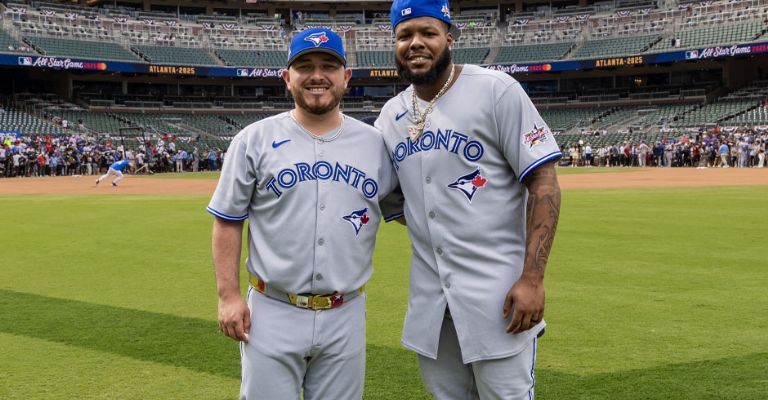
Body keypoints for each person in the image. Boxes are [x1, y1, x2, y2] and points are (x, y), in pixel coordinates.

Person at [375, 0, 563, 398]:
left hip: (499, 297)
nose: (415, 43)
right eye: (405, 35)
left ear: (449, 37)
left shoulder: (495, 90)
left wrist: (533, 279)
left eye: (428, 33)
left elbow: (544, 182)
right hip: (431, 304)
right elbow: (392, 199)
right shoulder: (390, 116)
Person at [207, 28, 399, 400]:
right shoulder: (253, 140)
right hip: (272, 309)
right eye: (305, 66)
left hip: (345, 310)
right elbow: (227, 220)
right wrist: (228, 296)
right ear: (287, 77)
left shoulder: (376, 145)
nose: (317, 75)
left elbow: (410, 211)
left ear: (346, 76)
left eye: (329, 66)